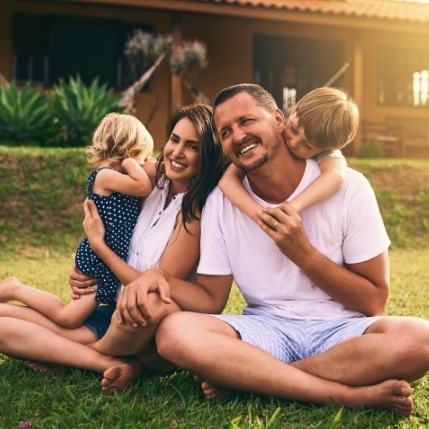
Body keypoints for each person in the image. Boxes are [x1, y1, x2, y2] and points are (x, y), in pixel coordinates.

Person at [110, 83, 429, 415]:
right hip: (265, 330)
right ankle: (345, 394)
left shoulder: (350, 187)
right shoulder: (222, 202)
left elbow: (374, 301)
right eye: (226, 131)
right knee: (175, 333)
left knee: (421, 339)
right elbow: (210, 298)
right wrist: (154, 276)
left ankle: (254, 377)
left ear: (279, 119)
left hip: (340, 332)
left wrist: (302, 252)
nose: (238, 135)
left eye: (247, 121)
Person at [0, 104, 224, 375]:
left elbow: (151, 288)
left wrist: (100, 249)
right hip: (109, 303)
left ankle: (77, 355)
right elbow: (105, 206)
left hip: (136, 320)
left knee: (147, 303)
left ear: (208, 154)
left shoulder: (194, 212)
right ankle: (87, 356)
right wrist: (87, 266)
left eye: (193, 147)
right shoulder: (155, 177)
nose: (177, 152)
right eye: (174, 140)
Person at [0, 113, 154, 329]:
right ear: (129, 151)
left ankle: (10, 311)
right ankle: (15, 288)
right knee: (67, 317)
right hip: (97, 260)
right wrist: (132, 162)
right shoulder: (104, 175)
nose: (145, 163)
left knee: (69, 318)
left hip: (108, 261)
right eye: (143, 157)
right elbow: (144, 186)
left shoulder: (120, 181)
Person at [218, 87, 356, 220]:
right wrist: (259, 215)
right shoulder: (271, 134)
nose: (294, 143)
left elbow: (336, 176)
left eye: (307, 145)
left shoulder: (328, 148)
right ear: (294, 111)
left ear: (327, 149)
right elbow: (227, 182)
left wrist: (292, 207)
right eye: (294, 130)